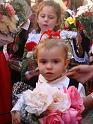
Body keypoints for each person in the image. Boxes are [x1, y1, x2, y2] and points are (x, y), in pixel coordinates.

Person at [11, 38, 85, 124]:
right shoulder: (33, 82)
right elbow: (23, 97)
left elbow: (80, 111)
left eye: (55, 61)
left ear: (65, 63)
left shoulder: (74, 86)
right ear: (37, 62)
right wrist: (16, 110)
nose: (49, 66)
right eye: (43, 62)